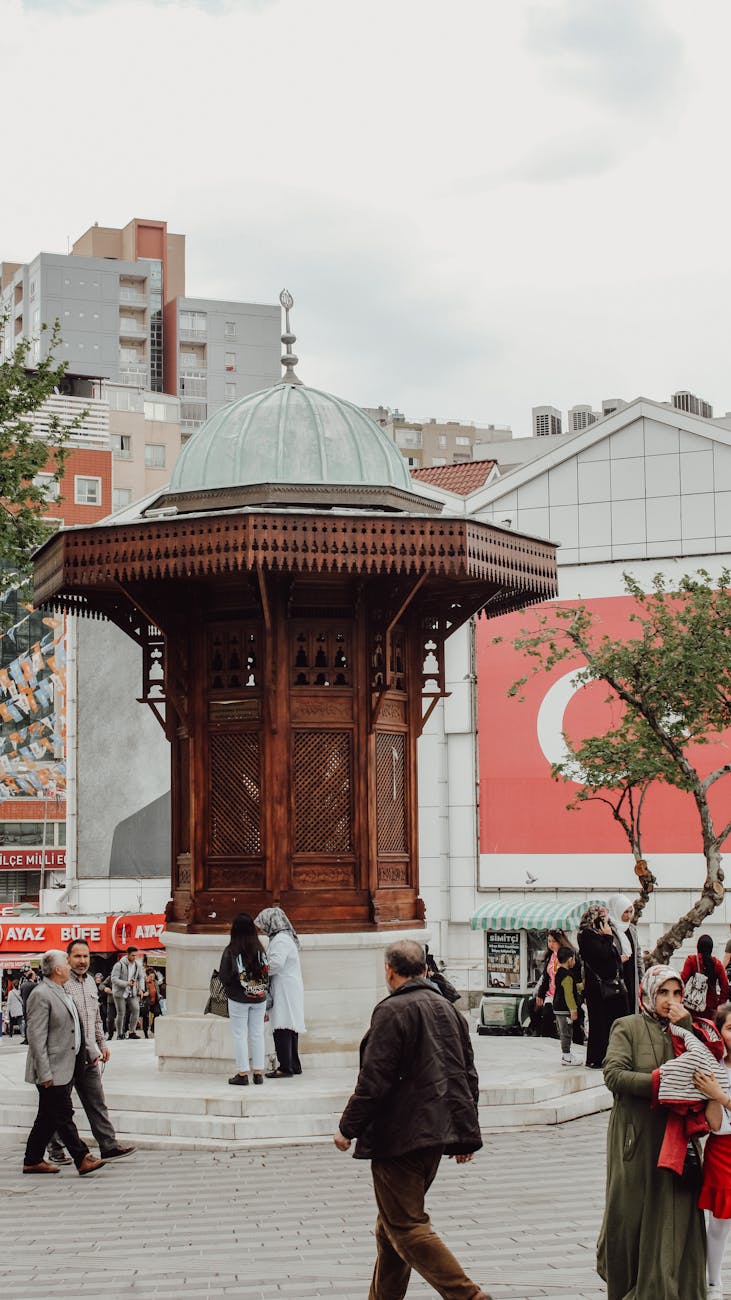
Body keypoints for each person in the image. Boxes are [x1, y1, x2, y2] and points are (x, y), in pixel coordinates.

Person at [334, 939, 491, 1300]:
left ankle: (468, 1296)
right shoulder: (448, 1009)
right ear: (424, 969)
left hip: (399, 1136)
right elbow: (467, 1074)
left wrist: (347, 1128)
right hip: (435, 1135)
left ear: (389, 970)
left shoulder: (392, 1011)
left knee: (406, 1225)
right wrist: (465, 1135)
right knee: (390, 1226)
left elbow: (374, 1080)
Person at [597, 965, 706, 1299]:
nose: (670, 1001)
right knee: (632, 1217)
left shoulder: (687, 1031)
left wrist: (685, 1027)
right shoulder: (627, 1027)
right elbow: (613, 1075)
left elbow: (701, 1070)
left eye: (676, 993)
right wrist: (660, 1084)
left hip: (677, 1143)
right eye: (663, 992)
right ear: (648, 993)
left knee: (677, 1217)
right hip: (637, 1141)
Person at [47, 939, 135, 1165]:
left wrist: (102, 1044)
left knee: (96, 1100)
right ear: (67, 959)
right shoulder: (61, 984)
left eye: (86, 956)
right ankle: (55, 1148)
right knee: (60, 1105)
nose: (82, 961)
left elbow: (95, 1017)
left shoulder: (89, 983)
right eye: (77, 956)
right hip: (66, 1054)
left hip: (89, 1054)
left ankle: (108, 1145)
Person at [22, 949, 105, 1176]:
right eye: (66, 963)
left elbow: (74, 1028)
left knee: (48, 1116)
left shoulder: (62, 991)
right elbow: (36, 1037)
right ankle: (82, 1157)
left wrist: (89, 1050)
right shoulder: (41, 994)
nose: (69, 966)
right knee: (63, 1114)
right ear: (58, 969)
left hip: (68, 1065)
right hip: (52, 1069)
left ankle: (32, 1159)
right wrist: (45, 1072)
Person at [693, 1000, 731, 1298]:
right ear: (720, 1032)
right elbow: (714, 1123)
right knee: (720, 1220)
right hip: (722, 1150)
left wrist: (719, 1094)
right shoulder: (712, 1068)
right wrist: (716, 1095)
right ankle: (713, 1281)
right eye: (730, 1028)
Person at [254, 908, 305, 1078]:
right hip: (288, 987)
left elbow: (276, 964)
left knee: (281, 1026)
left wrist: (258, 969)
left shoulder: (280, 940)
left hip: (284, 988)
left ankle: (285, 1067)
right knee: (290, 1026)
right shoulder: (284, 938)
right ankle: (293, 1064)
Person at [220, 912, 269, 1086]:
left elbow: (224, 975)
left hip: (239, 998)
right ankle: (258, 1072)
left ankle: (242, 1073)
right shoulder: (260, 949)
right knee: (257, 1033)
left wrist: (231, 990)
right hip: (259, 997)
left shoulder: (231, 950)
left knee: (239, 1034)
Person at [577, 904, 629, 1069]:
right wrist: (608, 938)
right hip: (598, 988)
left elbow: (610, 957)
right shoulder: (586, 936)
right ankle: (596, 1058)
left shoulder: (598, 935)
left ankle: (610, 1056)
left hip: (608, 986)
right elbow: (601, 955)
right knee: (599, 1024)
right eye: (603, 920)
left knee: (611, 1022)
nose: (606, 924)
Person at [606, 893, 644, 1013]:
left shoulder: (632, 929)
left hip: (632, 976)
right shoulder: (608, 930)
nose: (628, 915)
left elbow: (638, 956)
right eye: (625, 912)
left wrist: (641, 980)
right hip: (616, 979)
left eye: (630, 911)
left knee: (632, 1009)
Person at [681, 934, 729, 1018]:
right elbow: (725, 987)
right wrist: (719, 1004)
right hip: (710, 1008)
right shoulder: (717, 964)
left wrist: (680, 997)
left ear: (698, 947)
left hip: (692, 1005)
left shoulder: (691, 960)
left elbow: (682, 980)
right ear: (711, 948)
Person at [552, 946, 579, 1066]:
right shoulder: (567, 975)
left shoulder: (560, 973)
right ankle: (566, 1056)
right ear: (569, 959)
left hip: (558, 1007)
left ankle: (566, 1054)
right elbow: (569, 994)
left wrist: (582, 986)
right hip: (564, 1009)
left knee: (564, 1031)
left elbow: (570, 988)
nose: (575, 961)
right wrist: (573, 1010)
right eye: (574, 959)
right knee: (566, 1032)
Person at [111, 946, 145, 1040]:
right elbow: (113, 979)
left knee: (136, 1009)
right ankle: (119, 1033)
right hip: (120, 992)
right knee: (121, 1013)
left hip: (132, 991)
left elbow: (141, 977)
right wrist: (126, 983)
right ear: (128, 955)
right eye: (133, 955)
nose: (134, 957)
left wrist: (141, 989)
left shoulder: (138, 965)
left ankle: (132, 1032)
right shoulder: (119, 965)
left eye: (136, 955)